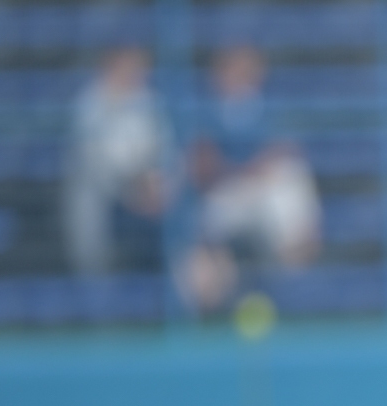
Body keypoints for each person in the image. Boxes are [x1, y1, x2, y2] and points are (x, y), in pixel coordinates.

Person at [180, 46, 320, 311]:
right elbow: (202, 166)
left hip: (261, 194)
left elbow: (286, 151)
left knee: (290, 176)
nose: (241, 76)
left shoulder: (269, 109)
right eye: (234, 69)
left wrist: (256, 169)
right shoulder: (203, 113)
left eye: (247, 69)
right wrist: (248, 169)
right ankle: (210, 300)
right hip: (221, 198)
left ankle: (296, 265)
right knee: (194, 255)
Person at [64, 47, 178, 274]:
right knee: (84, 200)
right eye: (128, 65)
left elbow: (166, 146)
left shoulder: (148, 98)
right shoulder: (90, 100)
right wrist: (129, 182)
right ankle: (96, 278)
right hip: (105, 184)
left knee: (176, 185)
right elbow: (91, 158)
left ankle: (174, 274)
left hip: (147, 180)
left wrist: (153, 177)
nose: (135, 72)